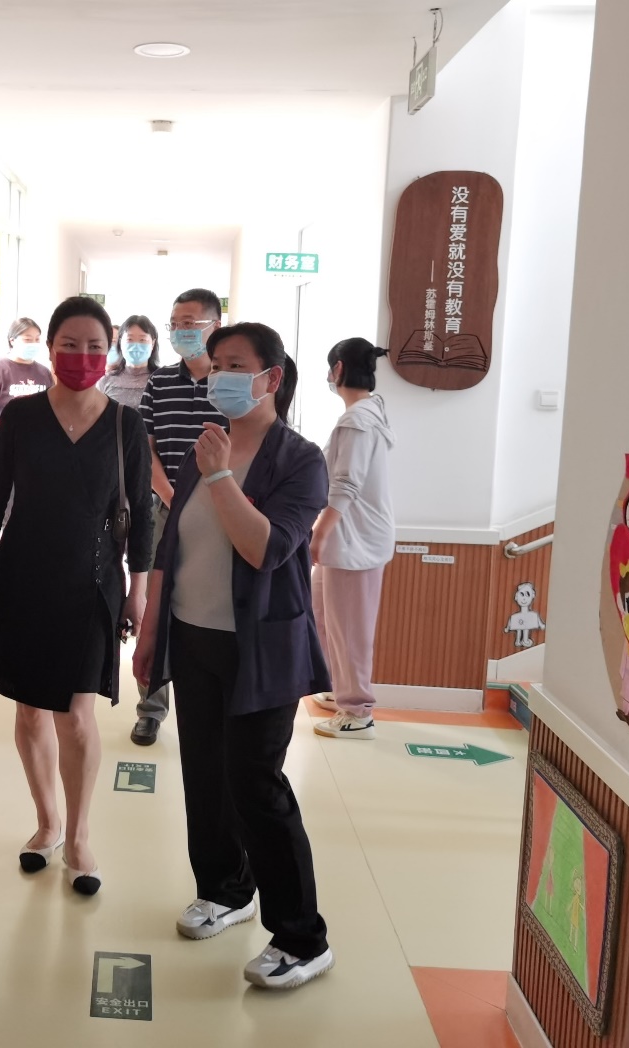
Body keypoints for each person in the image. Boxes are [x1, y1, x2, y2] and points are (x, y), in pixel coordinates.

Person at [133, 321, 334, 991]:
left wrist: (221, 476)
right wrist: (151, 632)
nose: (219, 375)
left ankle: (302, 938)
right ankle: (224, 889)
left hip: (262, 649)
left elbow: (265, 549)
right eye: (215, 363)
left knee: (255, 785)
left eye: (235, 365)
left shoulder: (299, 460)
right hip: (193, 637)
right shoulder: (206, 444)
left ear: (271, 378)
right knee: (204, 774)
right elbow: (173, 547)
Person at [0, 297, 153, 897]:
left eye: (94, 346)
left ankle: (78, 834)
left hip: (92, 584)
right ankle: (46, 822)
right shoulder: (21, 418)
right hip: (22, 580)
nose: (82, 356)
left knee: (75, 716)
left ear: (109, 351)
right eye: (69, 345)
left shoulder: (126, 425)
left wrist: (139, 589)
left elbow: (142, 514)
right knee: (29, 710)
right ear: (50, 350)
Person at [130, 289, 228, 746]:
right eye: (174, 324)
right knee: (155, 606)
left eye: (189, 323)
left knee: (208, 602)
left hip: (221, 512)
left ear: (214, 326)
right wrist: (172, 496)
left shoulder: (231, 384)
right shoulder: (160, 383)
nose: (180, 331)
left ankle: (210, 701)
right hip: (165, 508)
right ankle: (150, 708)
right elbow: (146, 448)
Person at [310, 338, 396, 741]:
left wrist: (319, 532)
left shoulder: (357, 421)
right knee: (326, 617)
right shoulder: (367, 413)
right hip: (351, 540)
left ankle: (358, 711)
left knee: (350, 628)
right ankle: (342, 689)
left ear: (339, 369)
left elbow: (346, 483)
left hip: (353, 542)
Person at [0, 318, 52, 472]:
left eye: (37, 339)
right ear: (12, 340)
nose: (33, 344)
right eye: (28, 339)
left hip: (34, 455)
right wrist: (1, 426)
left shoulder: (44, 373)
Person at [99, 314, 160, 411]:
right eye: (130, 339)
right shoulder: (106, 381)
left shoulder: (162, 380)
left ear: (152, 343)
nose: (136, 345)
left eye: (142, 340)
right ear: (120, 342)